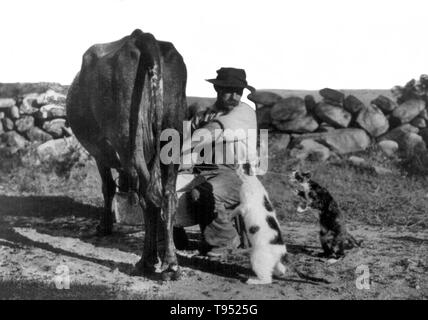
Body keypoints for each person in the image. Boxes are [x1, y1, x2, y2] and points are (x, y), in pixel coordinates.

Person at [180, 67, 258, 257]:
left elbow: (210, 133)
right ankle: (175, 237)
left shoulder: (244, 112)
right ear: (217, 90)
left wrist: (178, 150)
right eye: (228, 90)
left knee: (204, 193)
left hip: (239, 174)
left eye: (238, 92)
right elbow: (186, 136)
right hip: (205, 170)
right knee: (169, 187)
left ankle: (225, 240)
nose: (234, 96)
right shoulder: (205, 114)